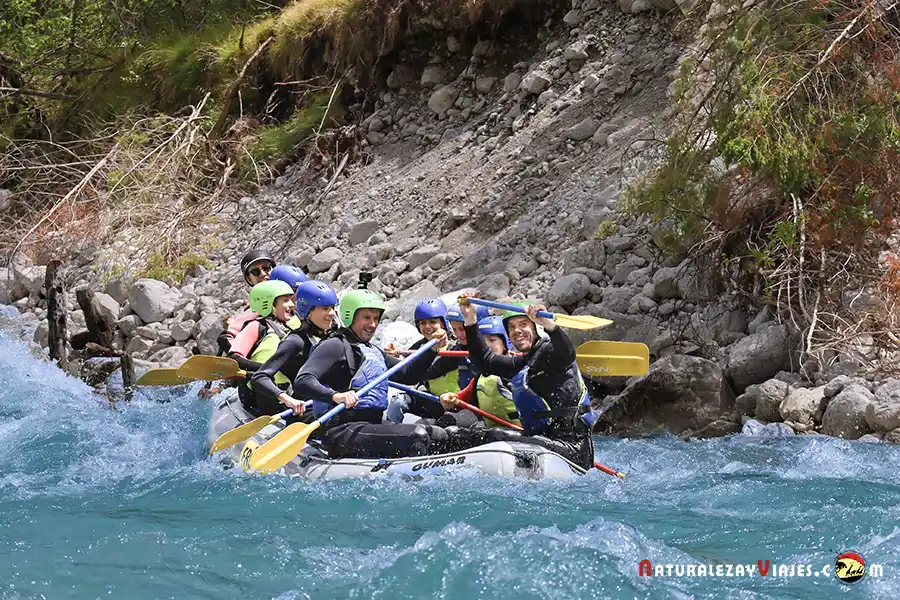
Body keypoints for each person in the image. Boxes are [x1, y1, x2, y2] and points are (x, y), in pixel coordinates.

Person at [292, 288, 451, 459]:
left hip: (371, 424)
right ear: (349, 316)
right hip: (341, 430)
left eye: (376, 318)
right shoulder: (334, 345)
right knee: (417, 435)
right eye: (366, 318)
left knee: (439, 435)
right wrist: (336, 396)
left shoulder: (373, 350)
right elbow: (303, 381)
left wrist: (432, 350)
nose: (373, 324)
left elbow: (407, 375)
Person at [454, 294, 596, 470]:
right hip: (542, 443)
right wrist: (470, 319)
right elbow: (484, 360)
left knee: (494, 436)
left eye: (523, 324)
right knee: (472, 435)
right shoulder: (524, 363)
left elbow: (567, 352)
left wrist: (550, 325)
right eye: (512, 327)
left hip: (570, 449)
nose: (517, 331)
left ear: (536, 328)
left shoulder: (549, 352)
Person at [248, 280, 338, 422]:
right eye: (325, 308)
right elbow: (259, 378)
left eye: (333, 307)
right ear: (308, 311)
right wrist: (287, 399)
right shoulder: (295, 342)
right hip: (302, 411)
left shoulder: (333, 336)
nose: (332, 313)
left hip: (327, 402)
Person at [228, 280, 301, 414]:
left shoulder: (295, 324)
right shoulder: (256, 327)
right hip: (259, 394)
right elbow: (235, 358)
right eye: (285, 300)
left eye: (291, 299)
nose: (291, 304)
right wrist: (264, 369)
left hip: (287, 389)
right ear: (269, 303)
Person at [440, 315, 521, 430]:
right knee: (449, 425)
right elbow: (460, 399)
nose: (486, 345)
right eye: (482, 341)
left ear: (505, 344)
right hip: (493, 429)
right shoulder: (482, 376)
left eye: (492, 340)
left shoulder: (518, 371)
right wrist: (449, 399)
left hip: (521, 432)